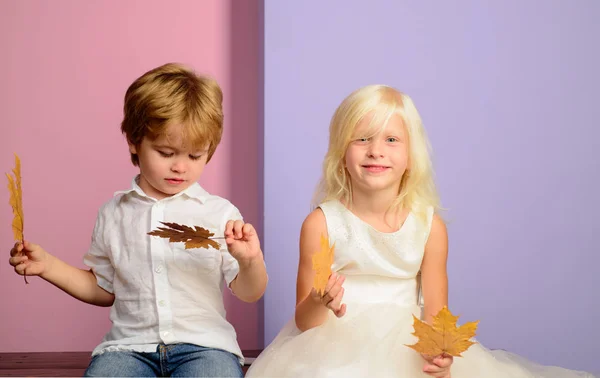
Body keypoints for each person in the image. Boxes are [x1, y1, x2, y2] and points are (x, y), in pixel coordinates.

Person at [245, 84, 594, 377]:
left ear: (412, 155)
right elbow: (306, 323)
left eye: (392, 140)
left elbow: (435, 314)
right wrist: (320, 301)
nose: (376, 151)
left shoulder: (429, 227)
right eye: (362, 139)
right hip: (333, 348)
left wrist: (439, 356)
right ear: (340, 153)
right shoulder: (322, 224)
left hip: (406, 344)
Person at [8, 63, 268, 377]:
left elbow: (250, 291)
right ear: (134, 141)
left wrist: (250, 261)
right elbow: (103, 289)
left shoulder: (219, 214)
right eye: (166, 152)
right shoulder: (113, 213)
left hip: (205, 348)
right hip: (129, 349)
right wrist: (47, 265)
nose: (180, 167)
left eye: (194, 156)